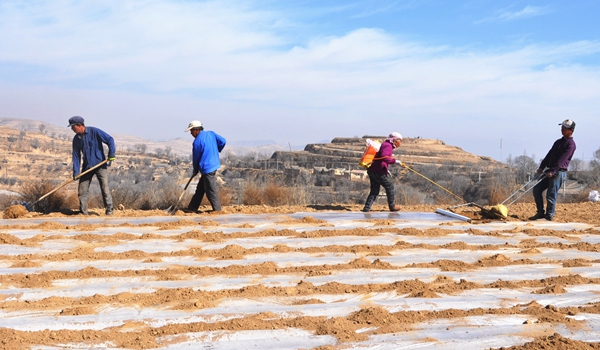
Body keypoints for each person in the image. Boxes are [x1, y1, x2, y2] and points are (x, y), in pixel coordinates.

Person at [529, 119, 576, 221]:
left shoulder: (570, 145)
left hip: (559, 172)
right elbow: (549, 155)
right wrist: (541, 167)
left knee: (550, 195)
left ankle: (549, 216)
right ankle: (540, 212)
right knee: (537, 189)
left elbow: (562, 160)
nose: (562, 129)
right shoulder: (558, 142)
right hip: (550, 170)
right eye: (562, 127)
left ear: (571, 130)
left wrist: (553, 171)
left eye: (564, 128)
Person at [69, 116, 116, 215]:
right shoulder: (76, 139)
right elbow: (76, 156)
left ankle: (109, 210)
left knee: (105, 188)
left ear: (79, 125)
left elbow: (110, 139)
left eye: (73, 127)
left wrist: (111, 154)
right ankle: (83, 212)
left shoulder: (94, 131)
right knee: (82, 189)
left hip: (100, 165)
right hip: (87, 167)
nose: (72, 129)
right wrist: (76, 172)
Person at [185, 120, 226, 212]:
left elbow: (196, 158)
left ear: (196, 130)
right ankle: (192, 208)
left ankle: (217, 210)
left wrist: (195, 169)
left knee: (210, 190)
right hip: (214, 164)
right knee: (200, 189)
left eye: (191, 131)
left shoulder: (196, 142)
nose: (191, 133)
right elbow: (223, 141)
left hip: (207, 168)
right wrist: (218, 149)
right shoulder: (211, 134)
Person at [362, 132, 405, 212]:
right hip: (378, 171)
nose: (400, 143)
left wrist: (386, 169)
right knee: (390, 186)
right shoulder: (388, 146)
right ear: (395, 140)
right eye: (400, 141)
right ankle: (392, 206)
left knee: (374, 191)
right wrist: (396, 161)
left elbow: (380, 159)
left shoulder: (385, 144)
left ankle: (367, 208)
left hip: (373, 170)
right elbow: (384, 157)